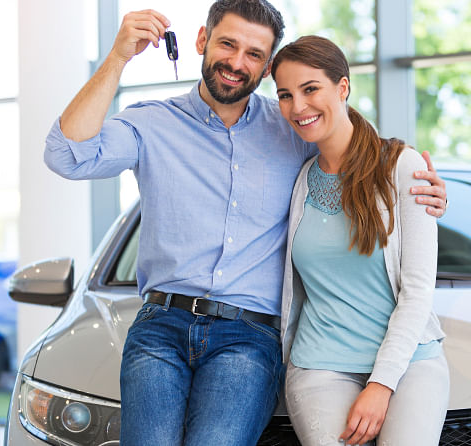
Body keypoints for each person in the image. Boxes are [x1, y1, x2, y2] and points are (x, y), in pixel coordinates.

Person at [44, 1, 447, 445]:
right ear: (202, 40)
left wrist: (422, 188)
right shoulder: (151, 123)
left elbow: (359, 160)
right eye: (228, 44)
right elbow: (67, 155)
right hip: (160, 324)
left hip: (248, 334)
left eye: (254, 54)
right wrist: (119, 56)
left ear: (267, 65)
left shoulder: (293, 127)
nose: (237, 63)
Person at [272, 35, 450, 446]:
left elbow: (418, 290)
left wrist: (381, 384)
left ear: (343, 87)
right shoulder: (298, 178)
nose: (298, 107)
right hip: (319, 365)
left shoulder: (401, 166)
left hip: (410, 363)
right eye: (285, 95)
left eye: (310, 89)